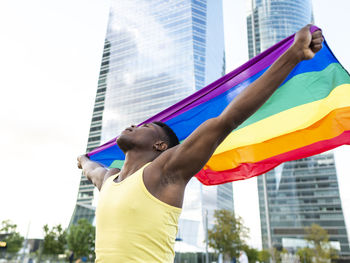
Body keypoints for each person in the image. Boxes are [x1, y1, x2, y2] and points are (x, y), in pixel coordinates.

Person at [77, 25, 323, 262]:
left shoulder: (164, 171)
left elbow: (228, 119)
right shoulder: (109, 179)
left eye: (146, 126)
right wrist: (83, 159)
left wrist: (293, 55)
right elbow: (90, 170)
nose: (134, 125)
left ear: (160, 146)